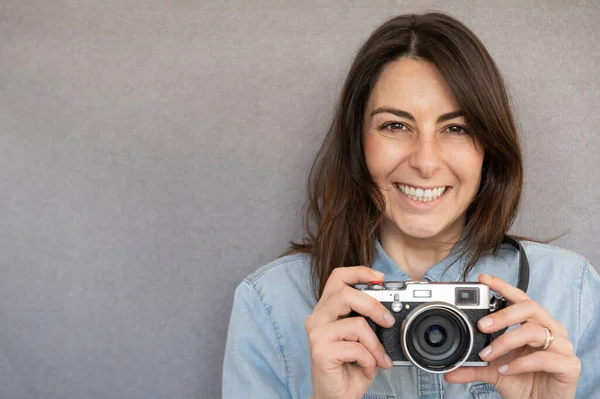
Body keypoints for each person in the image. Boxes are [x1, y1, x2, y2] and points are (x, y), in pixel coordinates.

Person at [222, 12, 600, 399]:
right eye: (395, 126)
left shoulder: (572, 293)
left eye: (457, 128)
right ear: (358, 143)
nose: (425, 162)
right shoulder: (271, 304)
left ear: (488, 147)